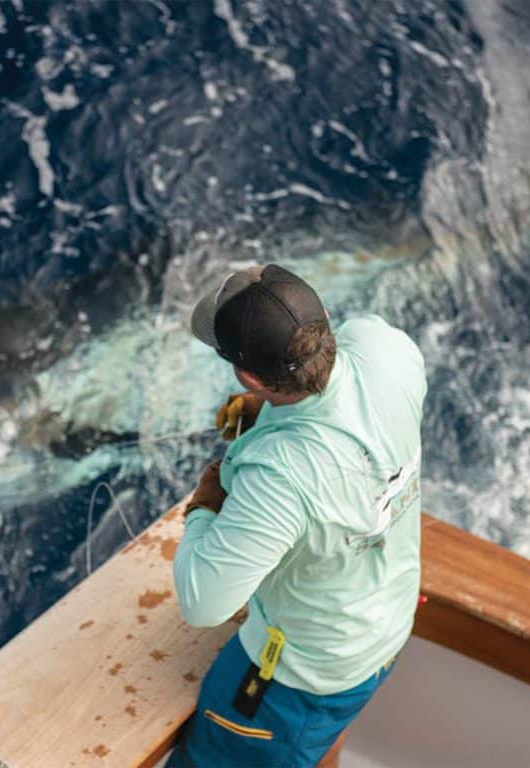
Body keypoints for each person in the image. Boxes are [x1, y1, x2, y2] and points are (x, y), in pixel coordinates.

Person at [168, 264, 427, 768]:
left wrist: (206, 504)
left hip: (302, 681)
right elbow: (343, 413)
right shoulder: (385, 350)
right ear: (325, 317)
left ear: (247, 375)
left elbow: (202, 602)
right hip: (385, 627)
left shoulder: (279, 477)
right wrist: (269, 409)